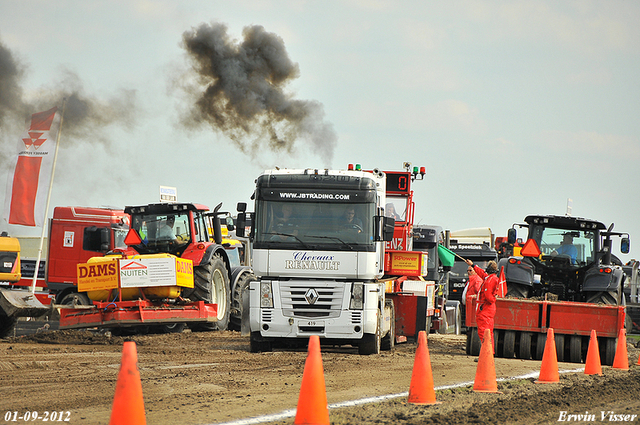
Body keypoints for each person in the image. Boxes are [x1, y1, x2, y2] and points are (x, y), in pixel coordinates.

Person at [466, 258, 498, 353]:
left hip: (485, 309)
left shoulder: (489, 280)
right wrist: (473, 265)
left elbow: (489, 297)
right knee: (488, 332)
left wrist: (485, 302)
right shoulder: (491, 278)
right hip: (487, 309)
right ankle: (489, 352)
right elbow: (482, 274)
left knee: (483, 332)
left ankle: (486, 353)